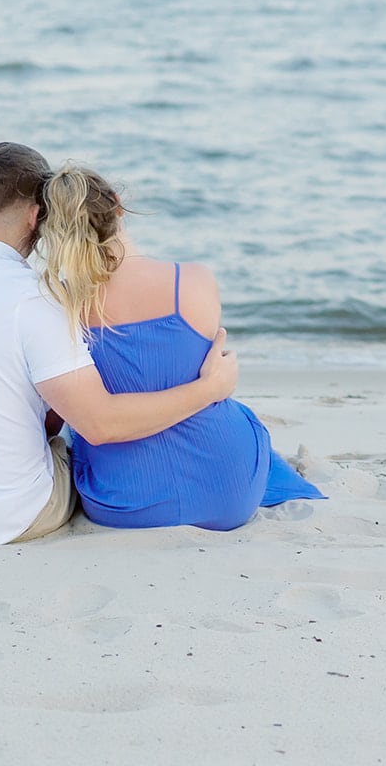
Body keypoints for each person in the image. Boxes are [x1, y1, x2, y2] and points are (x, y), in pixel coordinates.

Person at [0, 142, 239, 545]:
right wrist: (209, 388)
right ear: (37, 216)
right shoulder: (40, 301)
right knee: (67, 426)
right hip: (15, 517)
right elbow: (100, 424)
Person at [35, 162, 324, 530]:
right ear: (117, 205)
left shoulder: (55, 305)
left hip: (123, 503)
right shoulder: (194, 280)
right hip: (231, 494)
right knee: (234, 410)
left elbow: (53, 419)